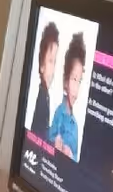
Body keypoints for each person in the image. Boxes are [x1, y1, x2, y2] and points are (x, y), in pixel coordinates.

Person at [49, 31, 86, 160]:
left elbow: (76, 157)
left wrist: (71, 156)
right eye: (74, 79)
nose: (76, 88)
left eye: (79, 81)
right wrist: (55, 144)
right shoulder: (59, 113)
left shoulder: (75, 125)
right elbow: (48, 139)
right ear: (65, 81)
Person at [30, 20, 59, 141]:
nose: (53, 68)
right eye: (51, 61)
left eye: (55, 62)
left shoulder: (46, 95)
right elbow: (39, 136)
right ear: (41, 65)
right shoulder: (41, 98)